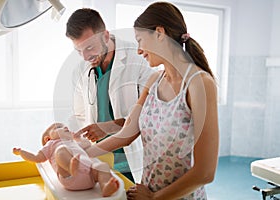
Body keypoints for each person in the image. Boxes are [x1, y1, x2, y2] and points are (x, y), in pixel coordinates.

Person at [77, 2, 219, 200]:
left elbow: (205, 172)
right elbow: (127, 132)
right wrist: (82, 154)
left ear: (159, 33)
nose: (139, 50)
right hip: (146, 190)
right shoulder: (154, 81)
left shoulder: (200, 84)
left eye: (140, 40)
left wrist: (155, 198)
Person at [65, 8, 155, 183]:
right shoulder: (80, 71)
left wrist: (109, 126)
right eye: (78, 51)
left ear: (105, 36)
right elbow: (79, 114)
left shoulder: (140, 59)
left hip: (133, 157)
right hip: (100, 159)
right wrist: (69, 138)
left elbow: (150, 116)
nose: (85, 57)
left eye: (89, 47)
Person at [12, 122, 119, 197]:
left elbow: (86, 144)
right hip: (68, 176)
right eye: (59, 127)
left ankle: (105, 186)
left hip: (90, 176)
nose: (65, 127)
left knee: (102, 166)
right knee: (61, 150)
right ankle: (70, 166)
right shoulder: (52, 144)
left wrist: (77, 138)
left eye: (65, 126)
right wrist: (21, 152)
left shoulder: (74, 143)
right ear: (48, 138)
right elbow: (36, 158)